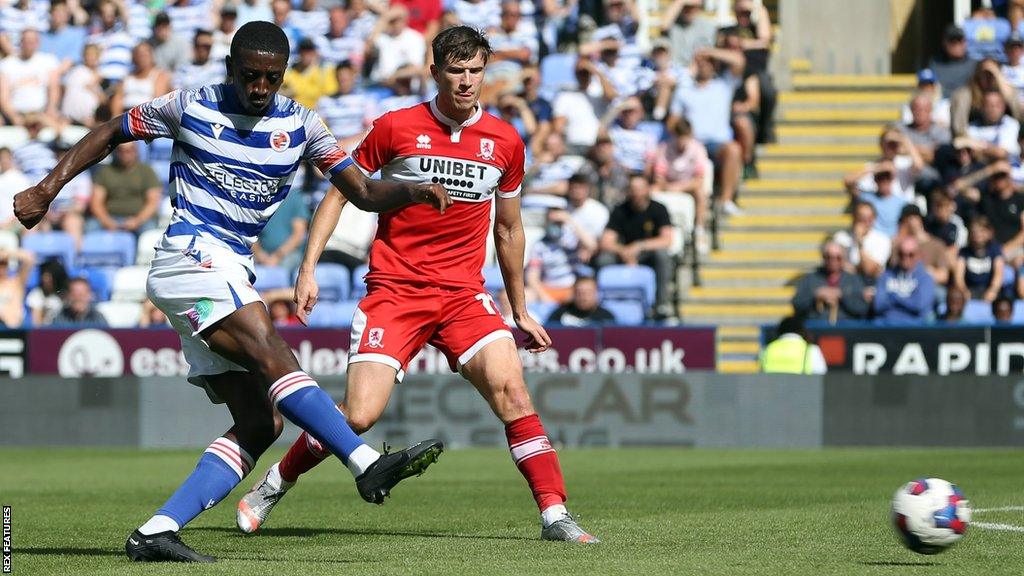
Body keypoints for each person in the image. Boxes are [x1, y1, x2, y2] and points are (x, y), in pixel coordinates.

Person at [12, 21, 450, 563]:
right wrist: (47, 188)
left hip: (229, 268)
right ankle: (363, 463)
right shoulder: (190, 106)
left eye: (271, 77)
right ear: (230, 69)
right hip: (189, 254)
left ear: (284, 75)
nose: (259, 87)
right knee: (271, 348)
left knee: (259, 421)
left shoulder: (304, 125)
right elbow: (109, 131)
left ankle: (156, 531)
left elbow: (360, 191)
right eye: (249, 76)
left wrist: (411, 190)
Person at [236, 26, 599, 544]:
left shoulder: (506, 141)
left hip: (463, 296)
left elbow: (510, 228)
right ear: (435, 73)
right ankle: (276, 482)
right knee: (359, 415)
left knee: (513, 392)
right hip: (395, 291)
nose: (467, 81)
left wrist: (519, 309)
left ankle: (555, 514)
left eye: (476, 70)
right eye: (456, 70)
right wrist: (308, 267)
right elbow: (340, 193)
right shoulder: (395, 127)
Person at [667, 47, 746, 216]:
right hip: (691, 144)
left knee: (734, 149)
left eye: (707, 63)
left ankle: (725, 200)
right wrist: (684, 134)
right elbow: (672, 122)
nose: (703, 66)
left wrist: (709, 52)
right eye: (699, 63)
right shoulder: (684, 89)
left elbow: (739, 60)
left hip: (716, 145)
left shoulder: (723, 86)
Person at [597, 174, 675, 319]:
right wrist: (624, 251)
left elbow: (666, 240)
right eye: (633, 189)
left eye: (640, 189)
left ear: (647, 190)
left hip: (647, 254)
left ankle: (661, 304)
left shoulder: (658, 209)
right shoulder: (620, 210)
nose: (636, 193)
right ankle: (601, 306)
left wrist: (639, 246)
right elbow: (606, 241)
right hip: (623, 253)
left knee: (662, 256)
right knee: (603, 260)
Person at [88, 142, 162, 234]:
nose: (125, 154)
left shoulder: (147, 172)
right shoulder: (104, 172)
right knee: (91, 227)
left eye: (129, 150)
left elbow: (153, 202)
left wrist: (137, 221)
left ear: (135, 151)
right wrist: (107, 221)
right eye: (121, 150)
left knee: (149, 231)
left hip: (140, 219)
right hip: (110, 218)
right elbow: (96, 203)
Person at [791, 241, 869, 323]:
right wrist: (816, 295)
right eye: (829, 257)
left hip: (847, 329)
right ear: (823, 257)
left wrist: (842, 295)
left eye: (838, 257)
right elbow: (797, 304)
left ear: (844, 259)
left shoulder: (853, 280)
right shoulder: (809, 279)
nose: (833, 261)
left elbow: (862, 308)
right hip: (815, 329)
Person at [0, 29, 61, 126]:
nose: (29, 44)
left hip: (41, 115)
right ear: (20, 42)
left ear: (38, 43)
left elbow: (54, 89)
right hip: (16, 115)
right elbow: (3, 96)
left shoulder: (49, 61)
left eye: (32, 41)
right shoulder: (7, 64)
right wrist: (15, 117)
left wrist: (51, 109)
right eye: (26, 41)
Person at [872, 236, 937, 325]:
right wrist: (908, 301)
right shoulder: (885, 276)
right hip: (885, 327)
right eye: (902, 254)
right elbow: (878, 305)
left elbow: (919, 306)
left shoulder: (925, 279)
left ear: (918, 255)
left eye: (910, 254)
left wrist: (893, 296)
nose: (905, 258)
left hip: (913, 330)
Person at [832, 202, 891, 282]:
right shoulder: (841, 237)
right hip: (846, 283)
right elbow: (836, 265)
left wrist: (860, 242)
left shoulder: (882, 240)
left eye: (868, 219)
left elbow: (870, 270)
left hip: (871, 284)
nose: (864, 222)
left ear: (874, 219)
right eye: (861, 218)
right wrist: (858, 269)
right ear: (854, 218)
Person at [111, 42, 173, 116]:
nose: (142, 58)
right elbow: (118, 98)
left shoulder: (159, 76)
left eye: (145, 55)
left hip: (146, 116)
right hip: (125, 114)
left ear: (151, 56)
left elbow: (158, 102)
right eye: (139, 55)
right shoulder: (127, 77)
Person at [954, 215, 1005, 301]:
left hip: (989, 291)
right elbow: (959, 277)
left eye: (981, 231)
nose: (978, 234)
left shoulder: (995, 250)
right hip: (970, 291)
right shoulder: (964, 252)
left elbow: (999, 273)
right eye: (974, 231)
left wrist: (993, 290)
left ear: (989, 232)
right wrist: (963, 291)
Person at [759, 315, 827, 375]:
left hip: (773, 389)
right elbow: (820, 375)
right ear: (802, 331)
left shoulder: (766, 349)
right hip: (802, 388)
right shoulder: (811, 349)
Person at [546, 275, 615, 326]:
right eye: (580, 292)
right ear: (574, 293)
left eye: (588, 292)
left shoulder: (606, 317)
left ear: (596, 293)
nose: (584, 297)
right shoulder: (559, 314)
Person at [928, 24, 976, 96]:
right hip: (940, 103)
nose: (957, 44)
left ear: (965, 42)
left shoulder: (975, 65)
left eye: (960, 40)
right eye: (952, 41)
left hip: (966, 103)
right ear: (944, 43)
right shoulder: (935, 63)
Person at [0, 249, 34, 327]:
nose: (1, 268)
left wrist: (7, 253)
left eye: (4, 264)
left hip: (12, 330)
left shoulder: (16, 282)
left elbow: (30, 259)